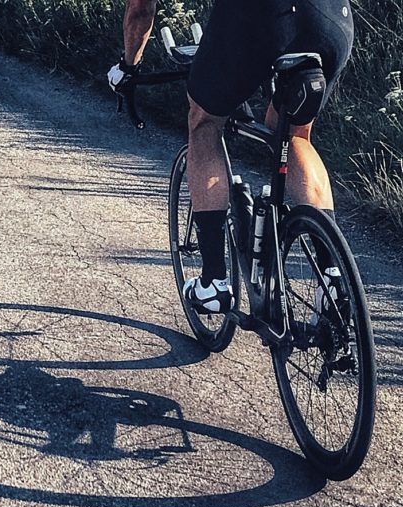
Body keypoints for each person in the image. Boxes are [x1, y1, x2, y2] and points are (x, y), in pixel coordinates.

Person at [108, 0, 354, 314]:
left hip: (259, 15)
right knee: (293, 134)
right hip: (331, 20)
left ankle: (213, 284)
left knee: (204, 123)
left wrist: (128, 66)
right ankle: (331, 276)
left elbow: (140, 10)